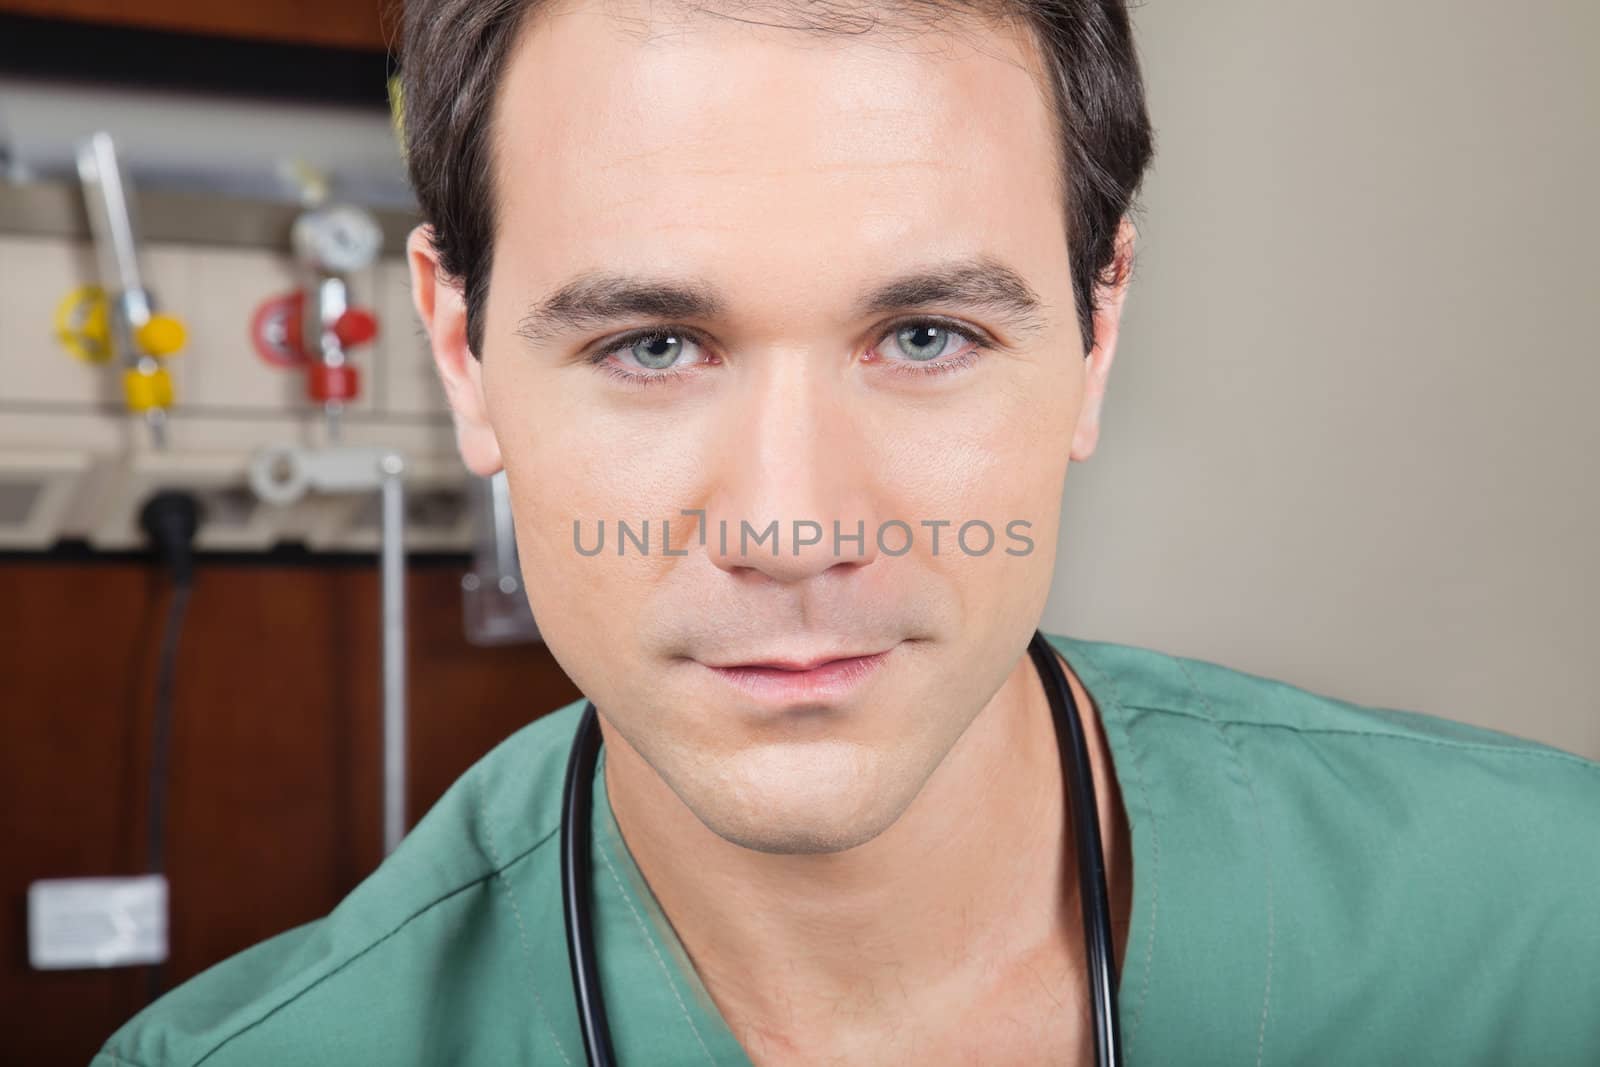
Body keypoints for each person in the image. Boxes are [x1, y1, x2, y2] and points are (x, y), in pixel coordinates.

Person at [96, 0, 1600, 1064]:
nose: (793, 526)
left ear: (1100, 326)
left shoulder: (1550, 932)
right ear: (461, 353)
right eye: (654, 347)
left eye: (929, 335)